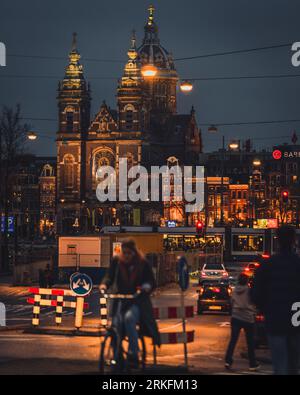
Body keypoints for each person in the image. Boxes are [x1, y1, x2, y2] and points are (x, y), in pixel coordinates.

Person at [99, 239, 160, 368]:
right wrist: (104, 284)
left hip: (136, 300)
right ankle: (117, 354)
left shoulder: (142, 264)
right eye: (124, 253)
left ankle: (133, 352)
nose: (126, 256)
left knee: (129, 319)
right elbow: (109, 276)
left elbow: (151, 281)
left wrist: (145, 287)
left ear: (134, 253)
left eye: (129, 253)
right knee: (115, 324)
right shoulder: (116, 262)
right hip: (120, 299)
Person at [252, 226, 300, 375]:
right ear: (294, 240)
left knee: (280, 365)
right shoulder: (297, 264)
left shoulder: (267, 265)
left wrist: (266, 310)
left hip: (275, 322)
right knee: (294, 364)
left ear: (277, 240)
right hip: (296, 322)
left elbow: (255, 294)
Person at [225, 273, 259, 371]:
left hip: (236, 317)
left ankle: (228, 361)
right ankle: (252, 364)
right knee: (250, 342)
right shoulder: (249, 291)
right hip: (248, 318)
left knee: (233, 340)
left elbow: (231, 302)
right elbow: (253, 302)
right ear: (247, 281)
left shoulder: (235, 290)